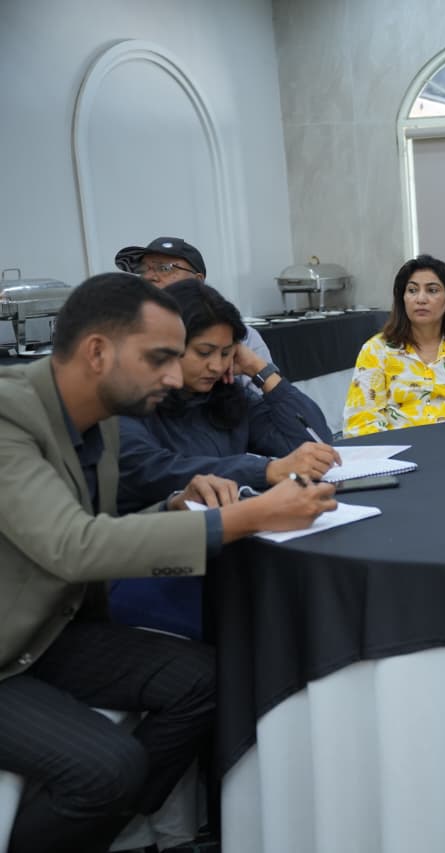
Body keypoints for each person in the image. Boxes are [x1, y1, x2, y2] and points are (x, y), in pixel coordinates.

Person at [0, 272, 335, 853]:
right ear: (98, 352)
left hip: (49, 633)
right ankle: (108, 808)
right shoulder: (9, 417)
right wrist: (244, 518)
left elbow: (100, 525)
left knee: (211, 679)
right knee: (108, 767)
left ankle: (111, 825)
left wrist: (174, 506)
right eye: (161, 358)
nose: (177, 376)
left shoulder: (101, 417)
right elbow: (74, 545)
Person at [113, 279, 339, 638]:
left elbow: (312, 440)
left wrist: (261, 370)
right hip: (155, 563)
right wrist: (267, 470)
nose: (216, 366)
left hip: (231, 552)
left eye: (226, 352)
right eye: (204, 352)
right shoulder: (128, 401)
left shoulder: (226, 395)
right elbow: (154, 470)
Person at [344, 254, 445, 435]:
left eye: (432, 290)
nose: (421, 299)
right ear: (403, 299)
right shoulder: (376, 350)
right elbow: (361, 421)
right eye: (412, 290)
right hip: (400, 448)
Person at [115, 235, 273, 367]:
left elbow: (267, 393)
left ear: (197, 281)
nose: (149, 277)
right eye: (143, 270)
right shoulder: (128, 333)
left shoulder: (238, 337)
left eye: (164, 268)